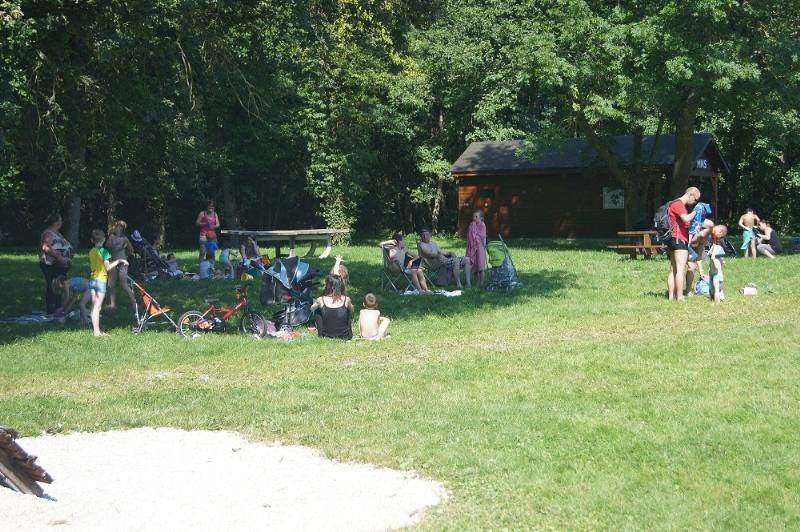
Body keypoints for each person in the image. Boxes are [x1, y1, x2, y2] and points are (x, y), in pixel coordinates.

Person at [81, 229, 128, 336]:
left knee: (94, 306)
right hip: (101, 281)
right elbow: (107, 267)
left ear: (92, 240)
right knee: (97, 307)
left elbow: (100, 264)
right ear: (103, 239)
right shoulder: (105, 252)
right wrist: (119, 261)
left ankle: (96, 330)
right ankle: (97, 332)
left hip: (92, 280)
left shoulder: (92, 251)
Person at [665, 187, 700, 301]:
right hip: (678, 239)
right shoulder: (679, 204)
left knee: (674, 269)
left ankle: (671, 297)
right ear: (690, 194)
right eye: (695, 200)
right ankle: (679, 296)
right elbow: (685, 219)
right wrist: (697, 210)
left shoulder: (674, 204)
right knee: (680, 269)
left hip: (673, 239)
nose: (695, 203)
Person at [39, 212, 73, 314]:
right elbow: (45, 247)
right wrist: (59, 256)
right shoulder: (49, 233)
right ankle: (52, 309)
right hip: (51, 265)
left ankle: (57, 308)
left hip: (59, 265)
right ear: (56, 222)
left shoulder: (56, 232)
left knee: (58, 286)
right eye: (60, 220)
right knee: (53, 286)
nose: (62, 222)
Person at [104, 220, 137, 312]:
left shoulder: (125, 239)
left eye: (120, 227)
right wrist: (113, 244)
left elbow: (131, 250)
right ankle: (113, 304)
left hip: (123, 263)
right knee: (111, 284)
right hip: (113, 262)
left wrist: (124, 250)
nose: (118, 228)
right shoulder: (111, 237)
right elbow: (107, 246)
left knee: (124, 283)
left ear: (123, 229)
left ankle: (134, 303)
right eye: (117, 226)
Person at [310, 274, 353, 340]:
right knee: (347, 309)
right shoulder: (346, 299)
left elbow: (311, 309)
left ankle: (321, 332)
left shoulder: (321, 299)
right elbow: (352, 310)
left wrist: (316, 303)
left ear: (328, 286)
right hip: (345, 336)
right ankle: (346, 330)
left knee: (317, 310)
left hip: (325, 335)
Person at [466, 210, 488, 287]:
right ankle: (477, 282)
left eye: (476, 217)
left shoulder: (482, 225)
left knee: (481, 266)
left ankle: (481, 283)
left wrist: (474, 230)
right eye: (473, 216)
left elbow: (481, 236)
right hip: (473, 247)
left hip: (480, 248)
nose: (474, 218)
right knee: (475, 266)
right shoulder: (472, 225)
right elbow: (469, 236)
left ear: (481, 218)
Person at [708, 224, 728, 303]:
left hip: (714, 272)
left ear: (720, 233)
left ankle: (717, 301)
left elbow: (714, 256)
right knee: (716, 289)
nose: (713, 230)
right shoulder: (715, 246)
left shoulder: (717, 247)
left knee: (716, 289)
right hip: (714, 273)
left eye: (715, 229)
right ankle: (718, 300)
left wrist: (714, 257)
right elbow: (711, 254)